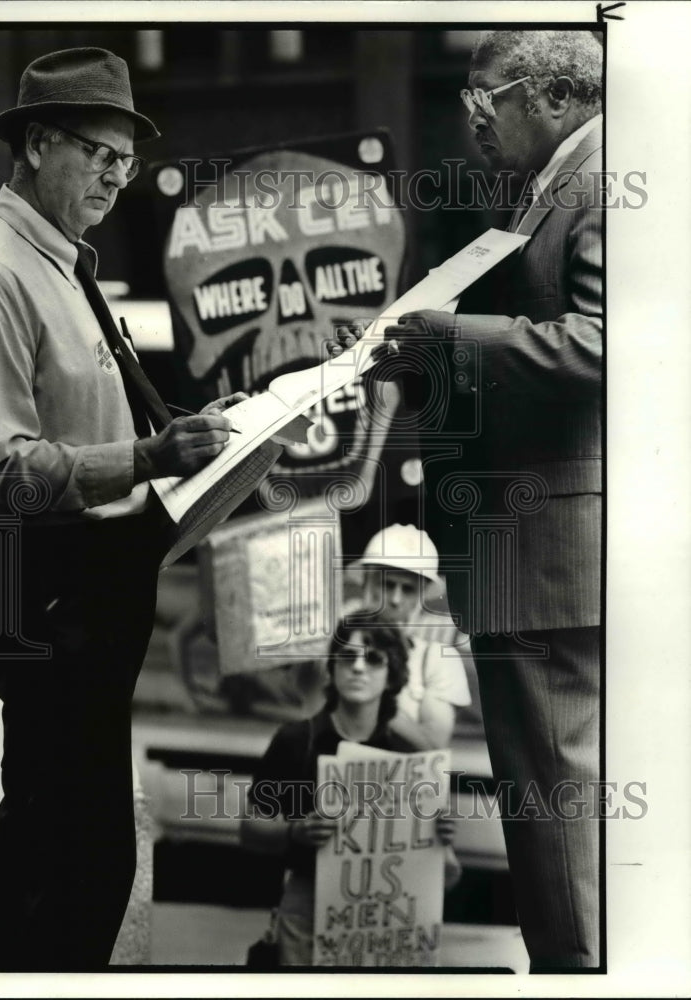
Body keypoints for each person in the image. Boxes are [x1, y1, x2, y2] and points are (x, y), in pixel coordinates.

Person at [331, 30, 603, 970]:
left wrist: (452, 337)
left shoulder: (598, 178)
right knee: (557, 809)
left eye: (487, 97)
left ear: (552, 97)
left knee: (554, 810)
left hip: (550, 553)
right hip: (540, 547)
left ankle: (581, 978)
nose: (472, 119)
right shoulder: (558, 185)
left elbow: (604, 347)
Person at [0, 47, 242, 971]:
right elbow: (1, 471)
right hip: (48, 592)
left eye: (126, 162)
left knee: (82, 848)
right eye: (99, 154)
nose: (116, 178)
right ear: (39, 142)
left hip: (91, 590)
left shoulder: (63, 262)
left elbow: (98, 411)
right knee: (62, 852)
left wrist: (193, 434)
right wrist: (146, 455)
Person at [241, 616, 456, 966]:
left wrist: (439, 837)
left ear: (393, 674)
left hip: (387, 917)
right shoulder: (296, 741)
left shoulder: (409, 755)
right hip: (305, 914)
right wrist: (294, 832)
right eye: (347, 657)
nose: (358, 668)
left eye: (373, 659)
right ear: (332, 667)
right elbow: (249, 829)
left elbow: (444, 873)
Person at [352, 523, 472, 751]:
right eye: (387, 585)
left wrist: (373, 698)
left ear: (421, 595)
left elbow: (433, 744)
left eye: (407, 589)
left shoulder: (436, 659)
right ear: (366, 583)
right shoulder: (333, 648)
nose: (396, 599)